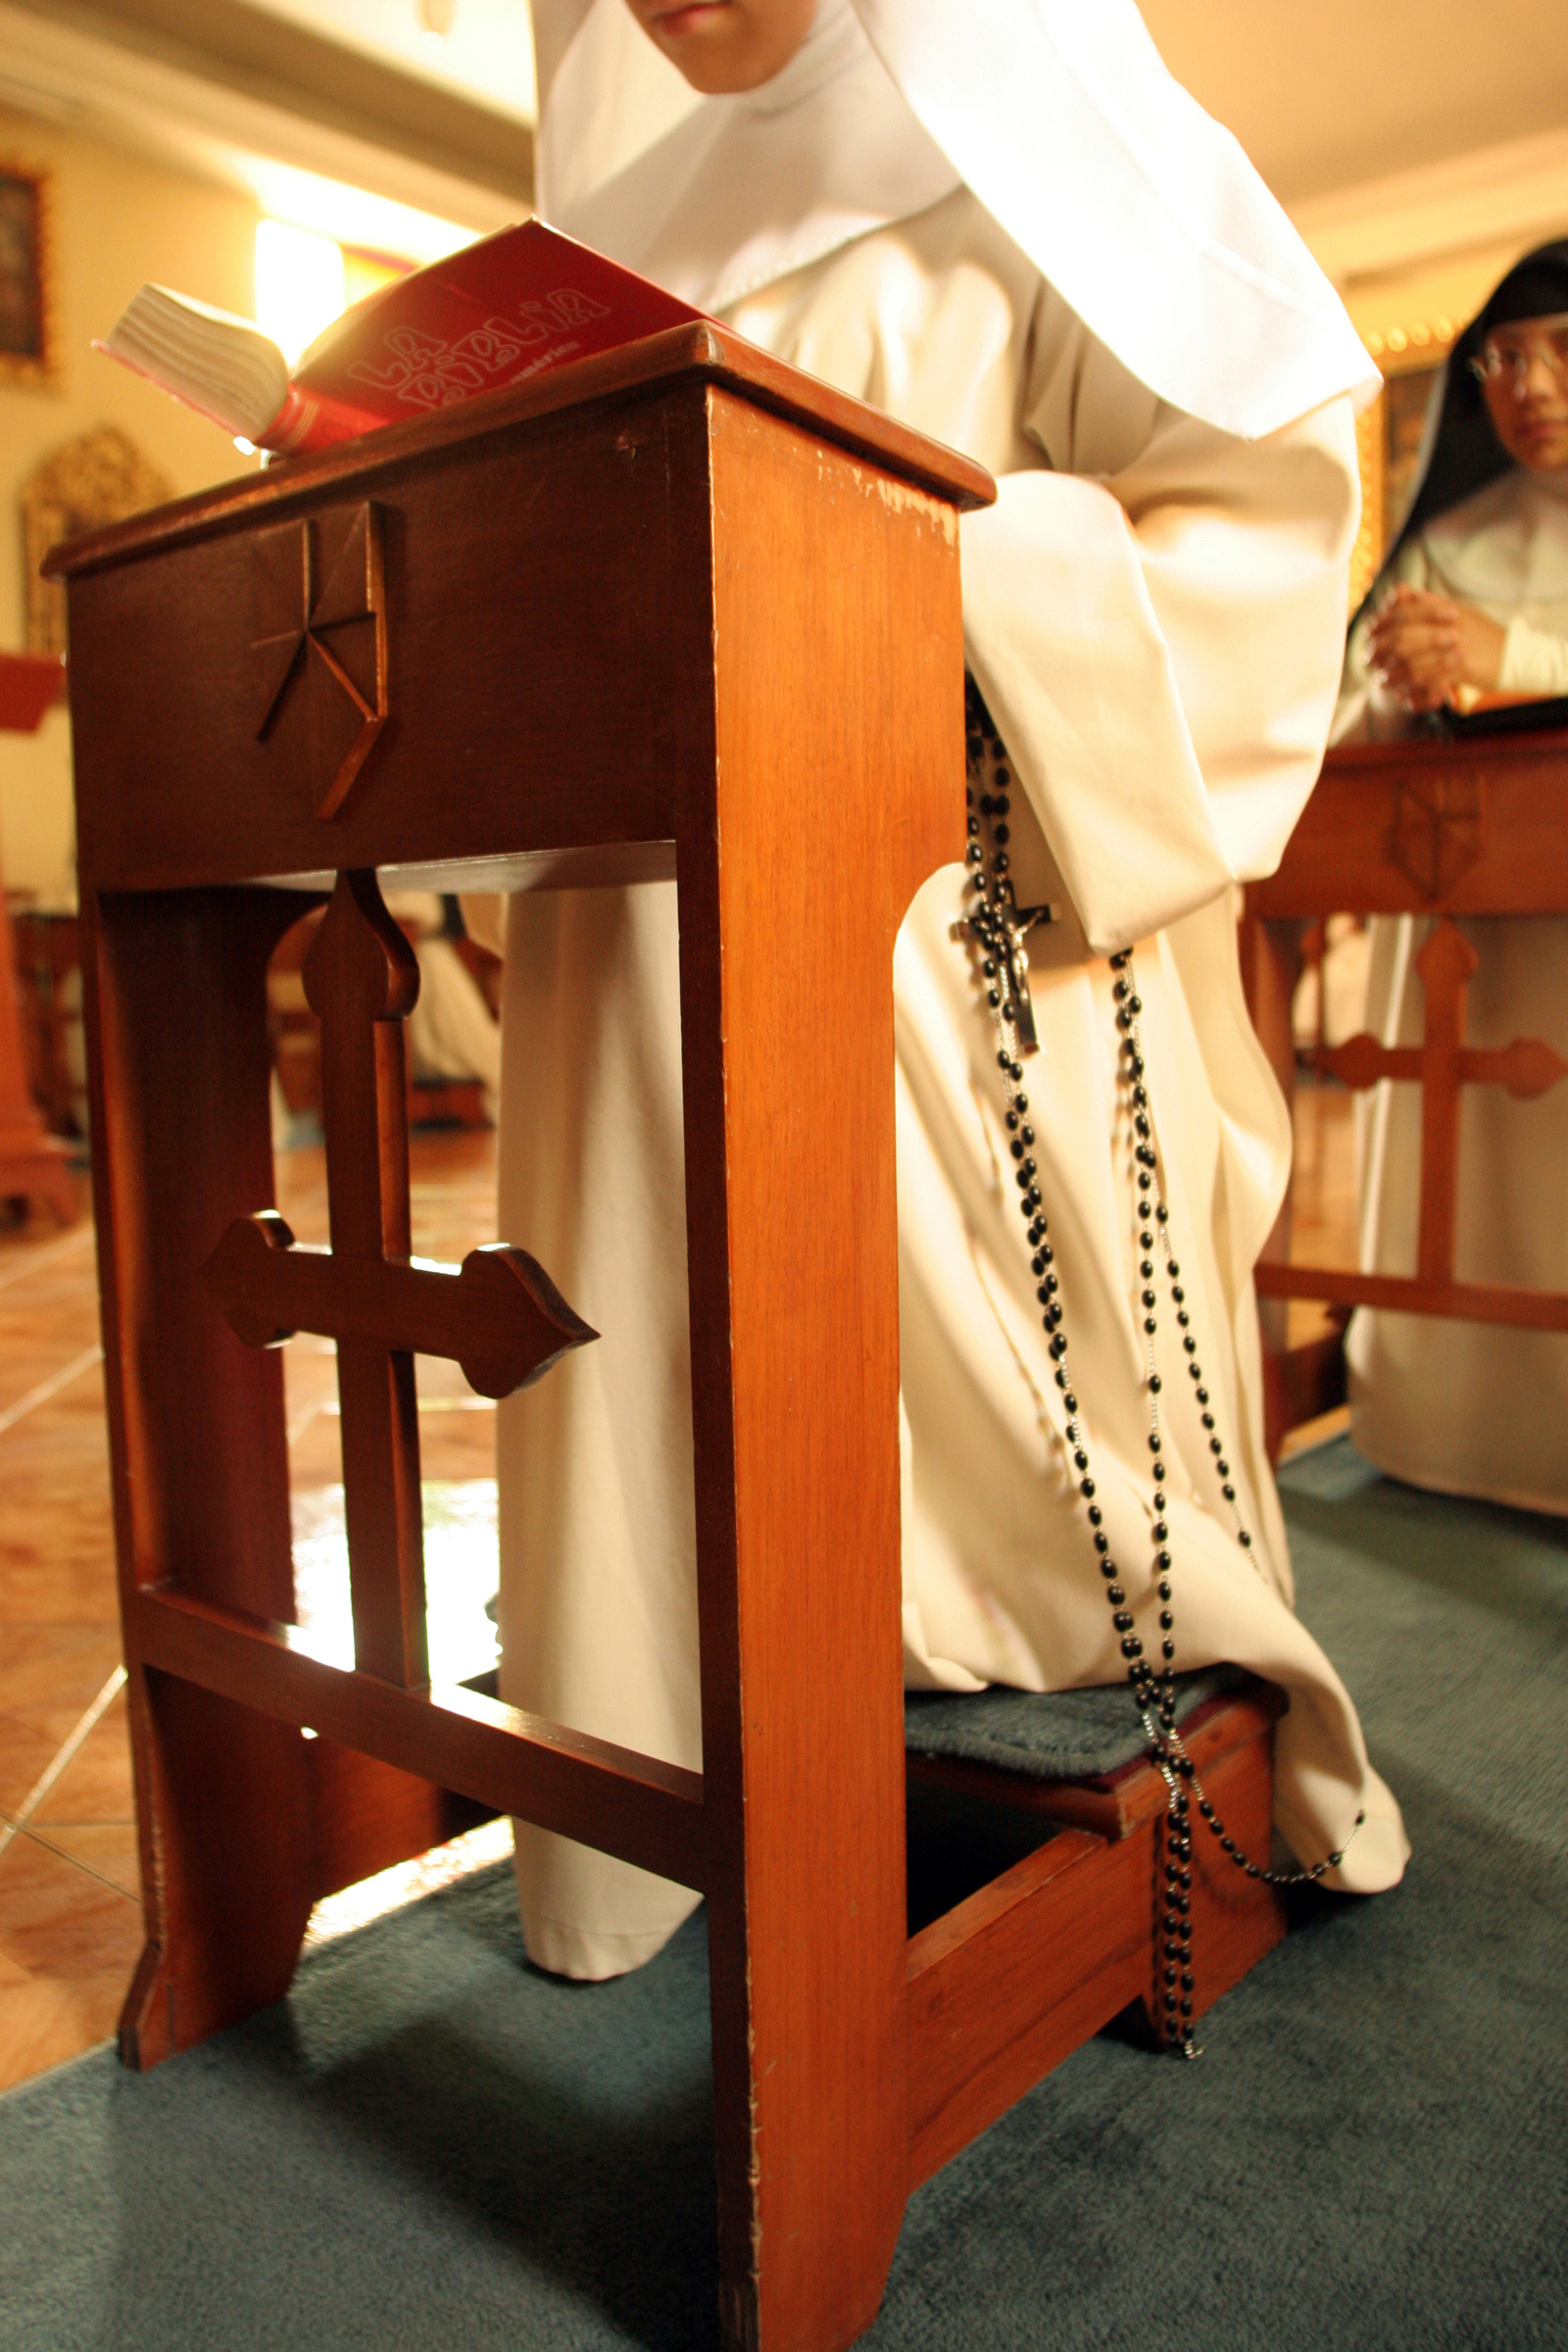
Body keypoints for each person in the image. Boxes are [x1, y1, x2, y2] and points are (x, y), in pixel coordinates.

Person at [482, 0, 1409, 1982]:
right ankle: (654, 1737)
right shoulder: (618, 202)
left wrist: (932, 572)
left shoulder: (1039, 132)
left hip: (949, 936)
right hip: (634, 935)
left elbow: (1246, 559)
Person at [1335, 242, 1568, 1514]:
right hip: (1459, 925)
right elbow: (1353, 727)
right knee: (1467, 1178)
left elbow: (1514, 657)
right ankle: (1447, 1426)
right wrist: (1397, 677)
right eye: (1507, 357)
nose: (1530, 383)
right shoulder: (1452, 538)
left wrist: (1514, 648)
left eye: (1561, 350)